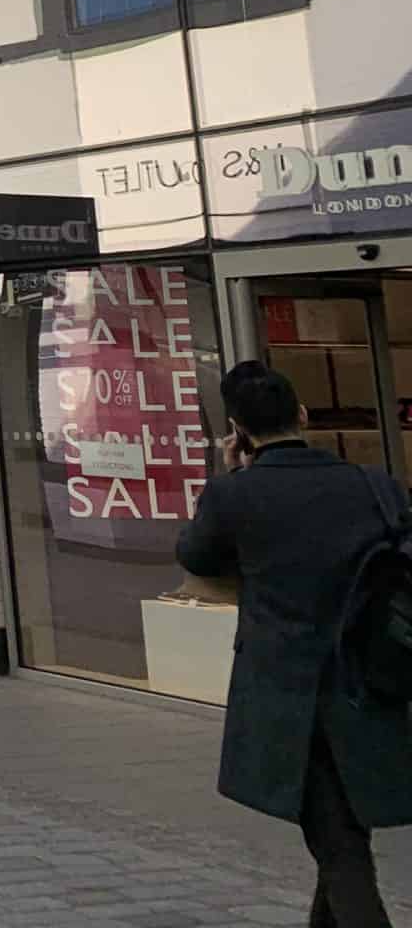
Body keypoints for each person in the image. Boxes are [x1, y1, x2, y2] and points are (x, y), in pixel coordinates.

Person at [178, 361, 412, 928]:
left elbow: (197, 556)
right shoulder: (375, 486)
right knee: (342, 837)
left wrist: (231, 473)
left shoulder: (234, 495)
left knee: (341, 850)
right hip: (373, 685)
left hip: (290, 704)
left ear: (237, 430)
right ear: (303, 415)